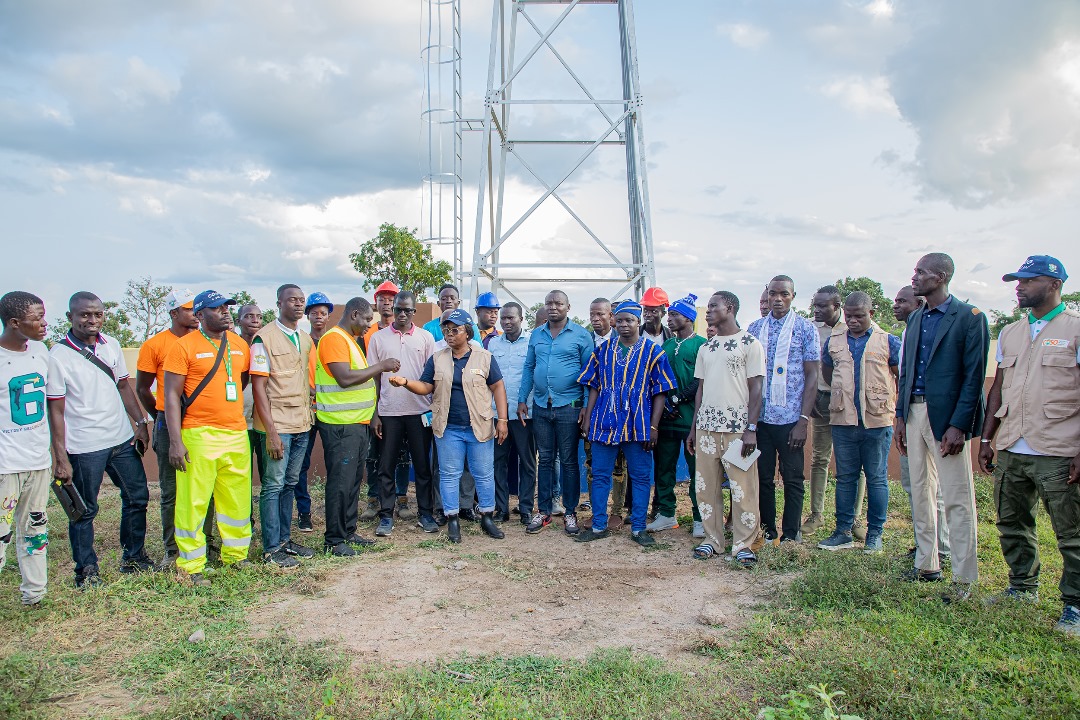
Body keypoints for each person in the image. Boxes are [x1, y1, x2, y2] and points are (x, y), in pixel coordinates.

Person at [979, 255, 1080, 634]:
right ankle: (1022, 587)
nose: (1019, 287)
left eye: (1028, 281)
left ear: (1054, 285)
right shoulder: (1011, 332)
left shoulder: (1075, 329)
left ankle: (1075, 605)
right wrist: (987, 438)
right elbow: (999, 388)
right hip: (1011, 445)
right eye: (1017, 281)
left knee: (1071, 533)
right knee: (1012, 523)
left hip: (1058, 448)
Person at [896, 253, 988, 601]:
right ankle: (927, 564)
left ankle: (964, 578)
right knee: (920, 491)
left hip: (947, 419)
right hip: (914, 412)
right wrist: (901, 417)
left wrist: (959, 425)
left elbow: (973, 377)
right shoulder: (916, 318)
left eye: (921, 272)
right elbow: (906, 372)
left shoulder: (969, 317)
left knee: (956, 497)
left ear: (941, 276)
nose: (915, 277)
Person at [48, 292, 154, 588]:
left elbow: (123, 386)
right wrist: (61, 456)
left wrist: (140, 423)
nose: (92, 320)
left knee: (137, 497)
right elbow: (56, 410)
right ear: (70, 317)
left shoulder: (112, 344)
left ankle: (133, 557)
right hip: (84, 446)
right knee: (85, 510)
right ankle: (86, 570)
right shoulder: (58, 356)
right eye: (85, 315)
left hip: (120, 439)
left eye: (98, 314)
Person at [390, 309, 509, 543]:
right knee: (449, 475)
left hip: (479, 427)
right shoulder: (437, 358)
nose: (449, 334)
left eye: (455, 330)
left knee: (484, 474)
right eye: (446, 330)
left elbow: (498, 387)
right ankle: (452, 519)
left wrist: (502, 420)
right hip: (448, 428)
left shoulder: (484, 357)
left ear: (468, 332)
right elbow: (426, 386)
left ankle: (487, 517)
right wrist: (405, 382)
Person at [163, 290, 253, 586]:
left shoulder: (239, 345)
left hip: (236, 433)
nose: (225, 311)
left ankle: (236, 556)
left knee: (236, 500)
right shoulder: (183, 347)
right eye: (217, 308)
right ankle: (191, 566)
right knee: (193, 502)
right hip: (199, 434)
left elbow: (240, 382)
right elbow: (172, 396)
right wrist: (176, 442)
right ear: (199, 315)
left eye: (227, 307)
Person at [576, 300, 676, 545]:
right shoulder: (603, 350)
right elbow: (594, 386)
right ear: (614, 321)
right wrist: (588, 417)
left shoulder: (653, 352)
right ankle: (598, 525)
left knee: (640, 477)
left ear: (638, 322)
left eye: (629, 320)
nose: (623, 325)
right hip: (605, 421)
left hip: (638, 424)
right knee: (600, 474)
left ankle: (639, 528)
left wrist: (653, 426)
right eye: (619, 320)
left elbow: (660, 392)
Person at [136, 289, 218, 570]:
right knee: (172, 490)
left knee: (205, 488)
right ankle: (173, 549)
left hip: (203, 423)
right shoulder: (155, 345)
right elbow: (142, 388)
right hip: (169, 423)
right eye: (188, 309)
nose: (195, 313)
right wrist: (162, 417)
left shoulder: (210, 341)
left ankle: (205, 543)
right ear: (173, 313)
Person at [315, 297, 401, 555]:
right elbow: (344, 378)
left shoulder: (349, 341)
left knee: (353, 482)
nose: (368, 325)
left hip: (356, 423)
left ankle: (348, 531)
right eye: (366, 319)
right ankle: (334, 540)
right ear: (354, 314)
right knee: (340, 484)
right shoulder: (334, 339)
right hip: (341, 426)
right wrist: (381, 366)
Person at [817, 292, 900, 553]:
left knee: (876, 478)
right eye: (849, 316)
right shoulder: (833, 341)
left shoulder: (888, 341)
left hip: (877, 421)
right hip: (843, 421)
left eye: (859, 316)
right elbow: (828, 373)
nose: (853, 321)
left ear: (871, 314)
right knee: (845, 478)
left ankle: (875, 534)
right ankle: (843, 531)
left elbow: (899, 375)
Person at [687, 291, 765, 567]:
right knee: (706, 488)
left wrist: (751, 428)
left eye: (713, 306)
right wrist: (694, 428)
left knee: (743, 489)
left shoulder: (749, 344)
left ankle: (744, 544)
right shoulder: (706, 348)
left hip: (738, 430)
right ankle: (713, 540)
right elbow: (700, 390)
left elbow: (757, 388)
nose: (708, 311)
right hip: (706, 429)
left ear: (729, 308)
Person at [747, 276, 820, 544]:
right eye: (773, 294)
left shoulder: (805, 328)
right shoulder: (755, 328)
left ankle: (791, 535)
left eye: (784, 294)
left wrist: (803, 420)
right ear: (767, 297)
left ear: (793, 296)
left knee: (793, 478)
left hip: (791, 419)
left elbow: (812, 376)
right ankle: (768, 532)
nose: (777, 299)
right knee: (763, 478)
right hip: (762, 418)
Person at [250, 284, 319, 566]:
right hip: (277, 425)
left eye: (301, 300)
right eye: (292, 300)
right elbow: (258, 386)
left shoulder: (304, 338)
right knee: (273, 485)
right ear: (279, 303)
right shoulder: (263, 339)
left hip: (301, 422)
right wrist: (271, 433)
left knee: (290, 483)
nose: (299, 304)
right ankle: (271, 549)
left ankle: (284, 541)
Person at [519, 290, 593, 535]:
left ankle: (570, 512)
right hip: (541, 406)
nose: (553, 307)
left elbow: (588, 374)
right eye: (549, 303)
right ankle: (544, 511)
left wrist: (585, 406)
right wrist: (522, 399)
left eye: (558, 303)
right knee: (546, 459)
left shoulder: (581, 335)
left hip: (570, 407)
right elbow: (529, 367)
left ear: (568, 307)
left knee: (569, 461)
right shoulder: (537, 335)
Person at [367, 291, 438, 537]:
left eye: (408, 310)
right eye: (398, 309)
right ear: (392, 310)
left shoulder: (425, 337)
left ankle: (426, 514)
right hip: (389, 412)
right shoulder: (378, 338)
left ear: (414, 312)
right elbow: (374, 378)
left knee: (422, 466)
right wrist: (375, 413)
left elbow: (431, 375)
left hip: (420, 411)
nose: (402, 314)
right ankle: (386, 516)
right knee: (386, 465)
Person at [0, 292, 52, 605]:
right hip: (6, 465)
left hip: (38, 460)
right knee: (2, 534)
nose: (44, 323)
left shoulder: (41, 351)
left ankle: (34, 594)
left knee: (36, 529)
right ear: (14, 323)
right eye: (37, 318)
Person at [893, 286, 949, 561]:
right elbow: (903, 377)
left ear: (919, 304)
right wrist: (900, 416)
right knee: (915, 484)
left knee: (935, 486)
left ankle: (942, 548)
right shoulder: (907, 333)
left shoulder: (940, 329)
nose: (896, 305)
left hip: (933, 414)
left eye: (902, 301)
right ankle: (925, 547)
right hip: (910, 414)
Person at [805, 286, 866, 539]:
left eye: (822, 306)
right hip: (821, 399)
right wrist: (809, 398)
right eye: (815, 306)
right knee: (820, 458)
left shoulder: (853, 325)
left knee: (853, 462)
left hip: (849, 402)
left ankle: (854, 518)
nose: (817, 311)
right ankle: (816, 515)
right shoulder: (811, 328)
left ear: (837, 306)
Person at [649, 294, 706, 534]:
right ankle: (666, 513)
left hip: (692, 418)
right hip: (667, 419)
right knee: (664, 467)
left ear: (689, 318)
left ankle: (700, 518)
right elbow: (658, 379)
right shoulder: (667, 346)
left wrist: (678, 399)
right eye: (669, 314)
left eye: (674, 315)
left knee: (697, 470)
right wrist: (666, 405)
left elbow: (700, 380)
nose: (669, 319)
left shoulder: (702, 344)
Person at [361, 281, 413, 521]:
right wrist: (374, 410)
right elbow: (370, 374)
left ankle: (401, 499)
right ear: (376, 303)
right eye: (382, 299)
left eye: (391, 299)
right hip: (379, 404)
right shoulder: (369, 332)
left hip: (406, 406)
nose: (387, 303)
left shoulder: (412, 334)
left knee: (402, 455)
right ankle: (374, 500)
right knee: (374, 455)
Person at [489, 302, 536, 523]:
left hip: (524, 414)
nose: (506, 322)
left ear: (521, 319)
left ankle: (526, 508)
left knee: (527, 462)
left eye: (511, 318)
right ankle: (501, 509)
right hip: (498, 414)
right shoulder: (493, 344)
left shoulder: (531, 343)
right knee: (498, 461)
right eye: (504, 318)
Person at [583, 297, 628, 522]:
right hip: (593, 413)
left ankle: (617, 512)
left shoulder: (624, 341)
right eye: (592, 314)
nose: (595, 318)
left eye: (600, 314)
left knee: (620, 465)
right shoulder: (584, 340)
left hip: (620, 414)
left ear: (611, 316)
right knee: (593, 464)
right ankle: (596, 511)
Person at [294, 291, 333, 530]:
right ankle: (304, 511)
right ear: (307, 316)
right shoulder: (301, 341)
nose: (319, 316)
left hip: (330, 409)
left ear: (328, 316)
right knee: (301, 463)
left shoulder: (334, 341)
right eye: (314, 313)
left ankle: (333, 510)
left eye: (323, 313)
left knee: (334, 461)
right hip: (306, 409)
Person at [236, 303, 267, 486]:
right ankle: (245, 506)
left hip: (263, 421)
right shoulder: (231, 346)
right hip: (240, 422)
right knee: (241, 475)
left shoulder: (265, 345)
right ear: (238, 321)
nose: (255, 320)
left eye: (259, 316)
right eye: (249, 316)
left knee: (268, 473)